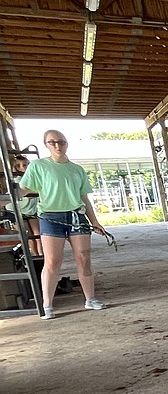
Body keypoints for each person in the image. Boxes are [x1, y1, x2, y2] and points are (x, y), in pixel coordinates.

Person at [18, 130, 107, 319]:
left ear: (67, 143)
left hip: (76, 216)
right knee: (52, 261)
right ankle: (47, 305)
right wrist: (5, 201)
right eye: (52, 142)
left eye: (61, 142)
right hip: (50, 217)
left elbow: (84, 197)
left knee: (83, 257)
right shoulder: (38, 166)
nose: (57, 146)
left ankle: (90, 299)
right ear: (46, 145)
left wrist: (95, 221)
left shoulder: (77, 169)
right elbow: (22, 190)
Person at [9, 156, 42, 256]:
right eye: (20, 166)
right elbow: (29, 193)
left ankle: (41, 255)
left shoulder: (35, 178)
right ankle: (35, 257)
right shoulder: (17, 180)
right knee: (27, 234)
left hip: (30, 210)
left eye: (26, 164)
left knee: (38, 234)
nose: (24, 167)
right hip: (15, 210)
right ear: (16, 168)